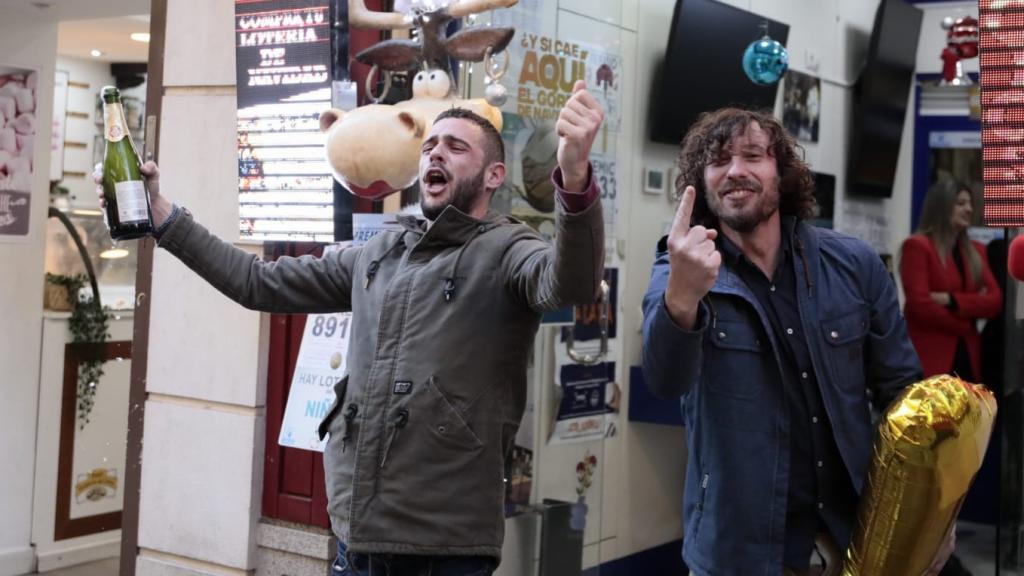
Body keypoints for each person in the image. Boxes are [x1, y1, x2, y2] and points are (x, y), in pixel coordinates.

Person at [95, 81, 605, 576]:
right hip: (354, 536)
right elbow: (256, 282)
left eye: (455, 147)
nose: (435, 155)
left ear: (494, 176)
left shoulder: (509, 251)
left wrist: (575, 179)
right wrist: (161, 214)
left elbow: (571, 284)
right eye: (429, 145)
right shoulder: (380, 253)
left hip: (444, 547)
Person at [640, 107, 953, 576]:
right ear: (701, 182)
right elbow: (665, 380)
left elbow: (903, 398)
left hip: (855, 543)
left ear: (781, 171)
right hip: (740, 556)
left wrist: (934, 513)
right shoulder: (681, 268)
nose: (736, 171)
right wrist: (682, 297)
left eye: (752, 155)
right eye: (719, 161)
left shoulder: (854, 265)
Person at [900, 180, 1002, 576]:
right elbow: (920, 305)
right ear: (943, 206)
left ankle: (944, 543)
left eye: (969, 203)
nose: (968, 210)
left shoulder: (975, 252)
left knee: (958, 461)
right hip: (931, 368)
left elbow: (994, 302)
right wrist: (964, 317)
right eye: (960, 203)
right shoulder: (918, 247)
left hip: (965, 369)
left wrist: (955, 301)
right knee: (932, 462)